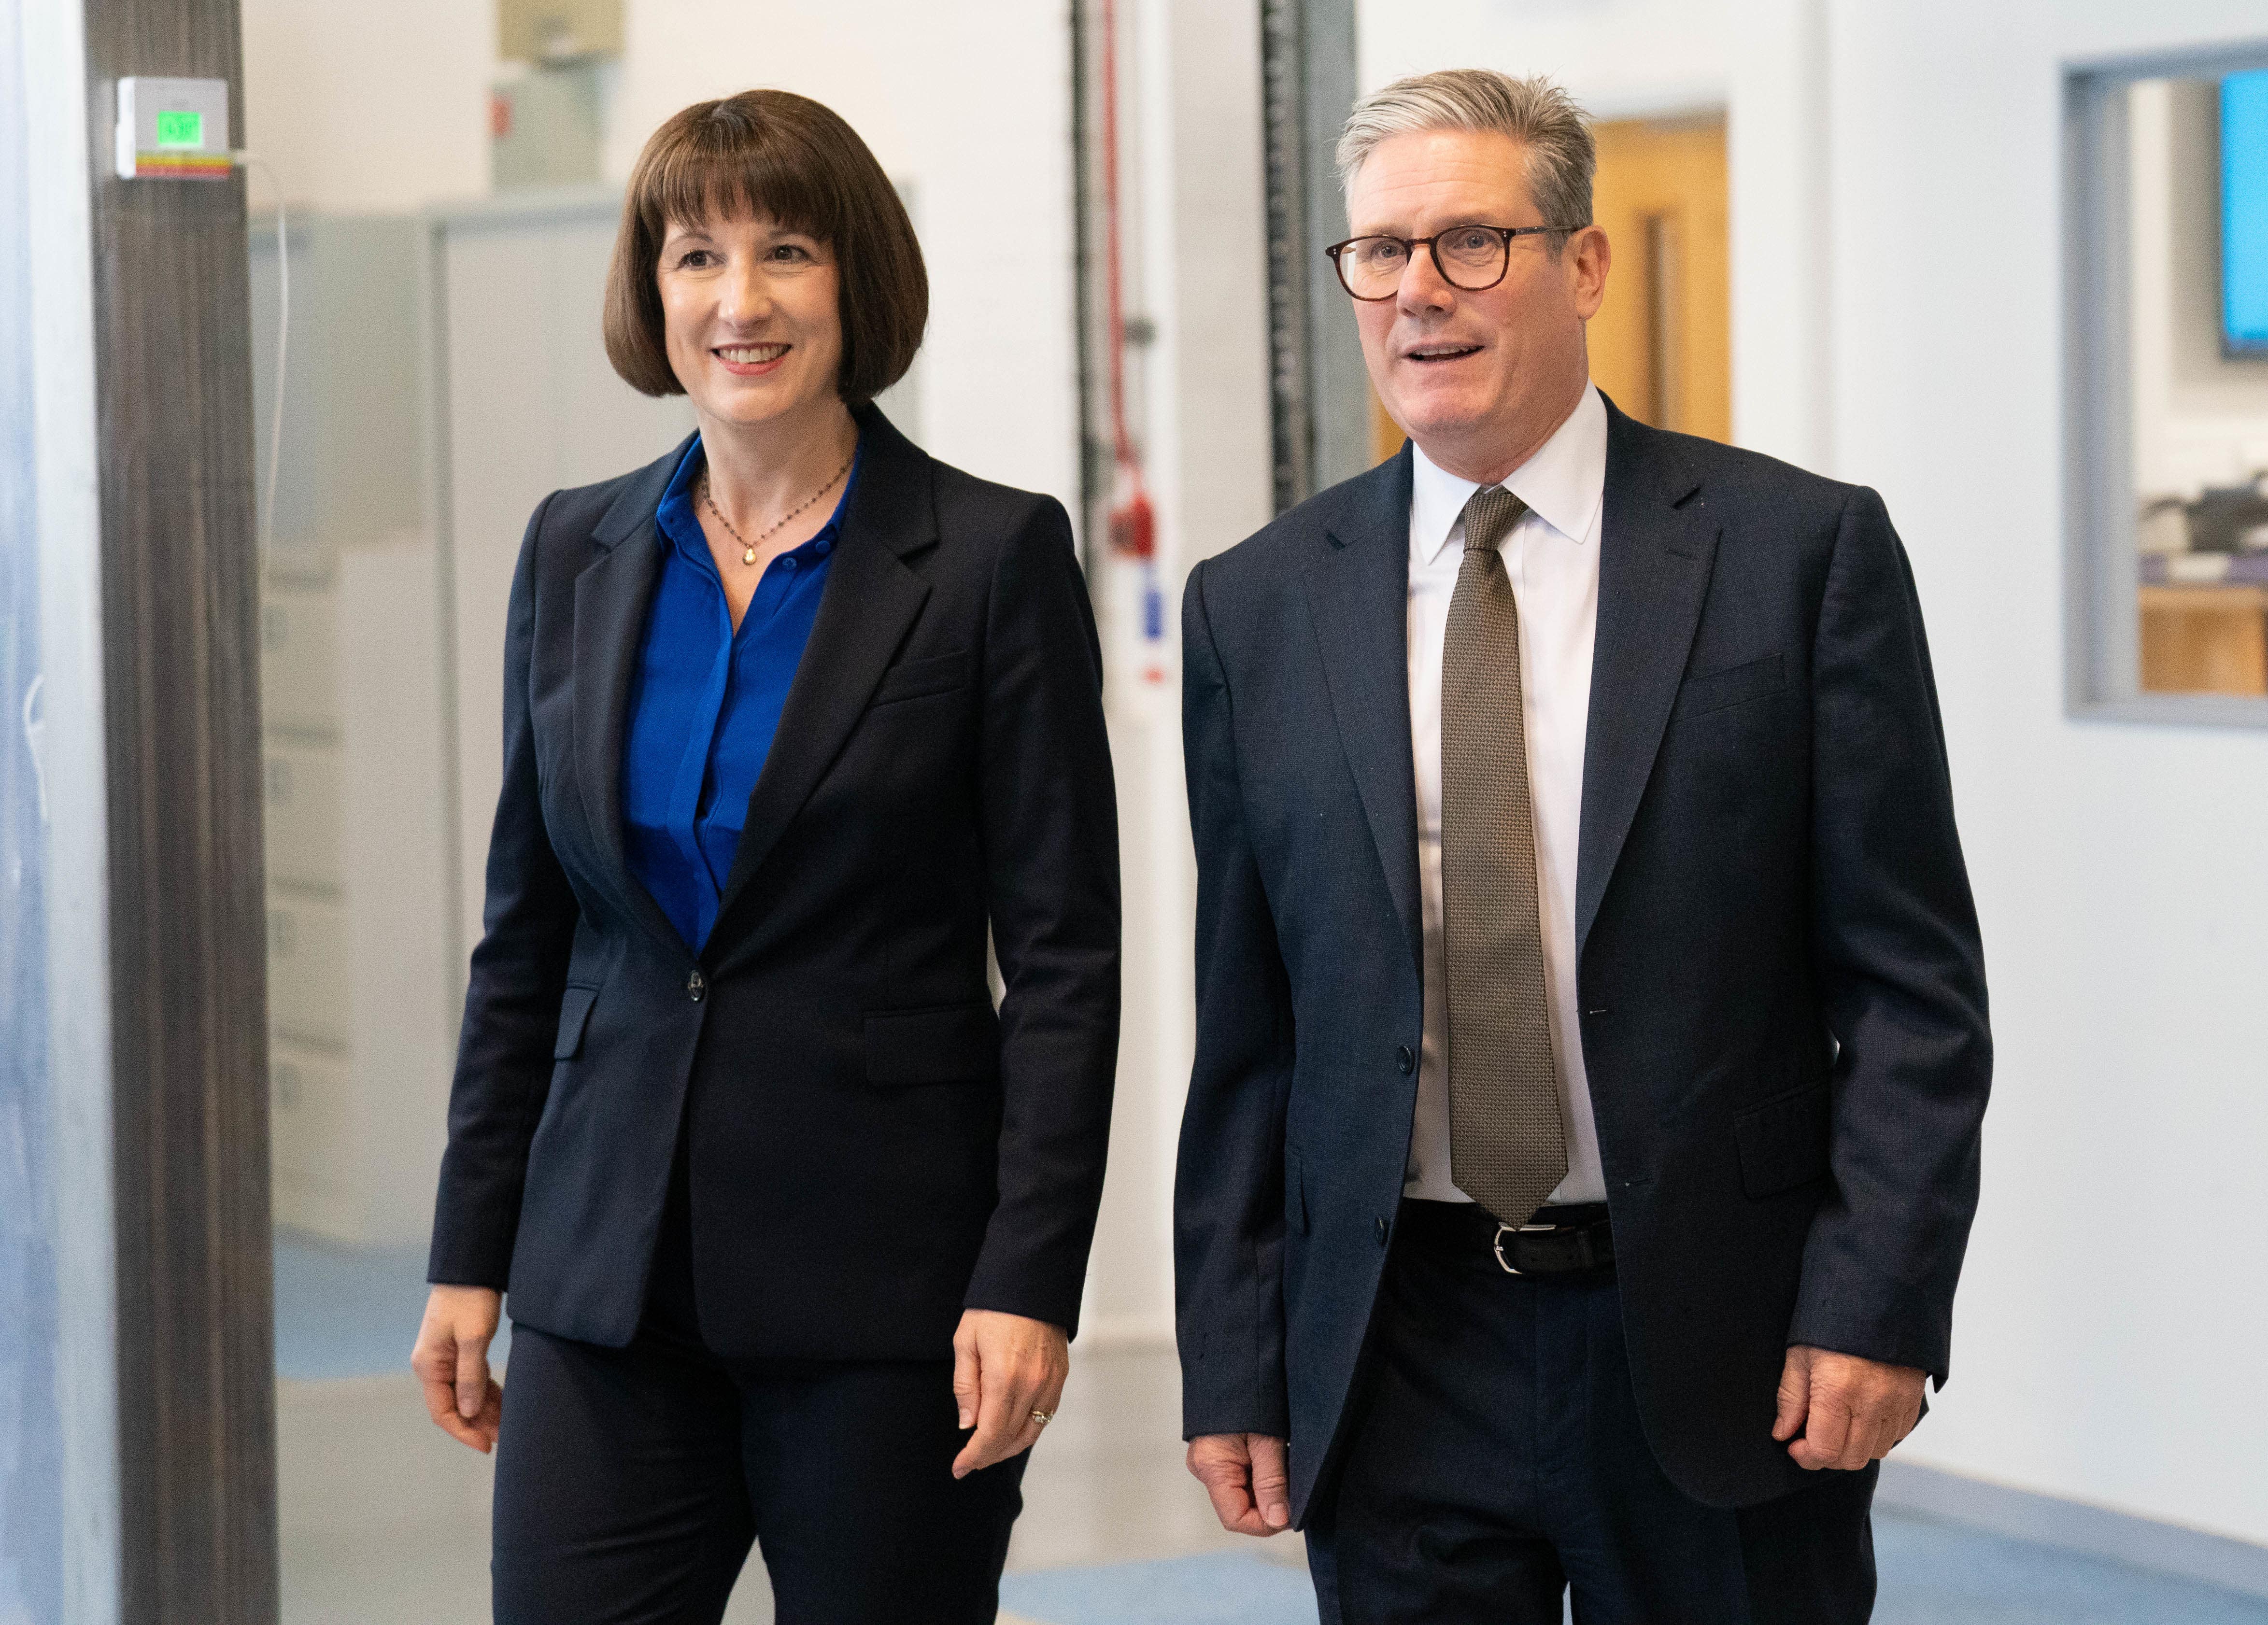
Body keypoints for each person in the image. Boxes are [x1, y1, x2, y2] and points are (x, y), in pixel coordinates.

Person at [1174, 69, 1991, 1623]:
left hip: (1717, 1340)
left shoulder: (1797, 556)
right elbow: (1251, 1029)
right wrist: (1235, 1347)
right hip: (1397, 1340)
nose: (1419, 291)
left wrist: (1877, 1304)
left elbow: (1910, 990)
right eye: (1381, 252)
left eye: (1472, 242)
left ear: (1587, 265)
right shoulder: (1260, 604)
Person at [407, 89, 1121, 1625]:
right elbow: (527, 935)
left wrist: (1029, 1275)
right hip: (606, 1283)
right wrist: (470, 1250)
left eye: (785, 251)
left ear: (852, 279)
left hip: (889, 1299)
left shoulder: (990, 559)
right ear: (649, 294)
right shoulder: (576, 550)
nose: (739, 301)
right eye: (695, 257)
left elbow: (1067, 961)